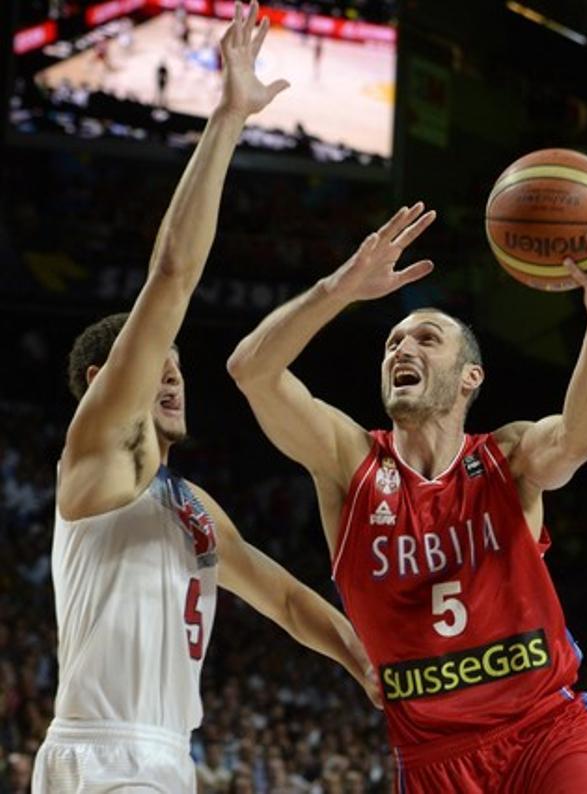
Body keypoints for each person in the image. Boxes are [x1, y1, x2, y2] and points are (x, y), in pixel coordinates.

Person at [31, 4, 379, 792]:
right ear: (103, 382)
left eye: (178, 364)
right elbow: (172, 276)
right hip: (103, 752)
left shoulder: (191, 508)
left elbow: (288, 602)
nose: (175, 373)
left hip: (164, 760)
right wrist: (227, 119)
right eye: (159, 363)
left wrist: (368, 661)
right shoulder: (93, 458)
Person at [227, 201, 587, 792]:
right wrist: (339, 288)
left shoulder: (507, 458)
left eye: (426, 338)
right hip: (433, 758)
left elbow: (580, 437)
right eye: (392, 342)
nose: (401, 349)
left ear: (469, 377)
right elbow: (251, 372)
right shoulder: (352, 466)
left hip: (543, 732)